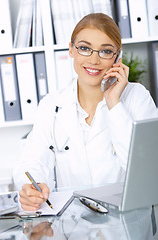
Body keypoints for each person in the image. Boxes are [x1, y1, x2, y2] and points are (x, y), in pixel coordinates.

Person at [13, 13, 158, 211]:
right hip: (75, 223)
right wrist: (33, 187)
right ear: (71, 50)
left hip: (128, 220)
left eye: (105, 51)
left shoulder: (137, 97)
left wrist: (114, 103)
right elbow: (32, 160)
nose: (94, 60)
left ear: (118, 57)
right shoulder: (52, 104)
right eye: (84, 48)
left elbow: (148, 171)